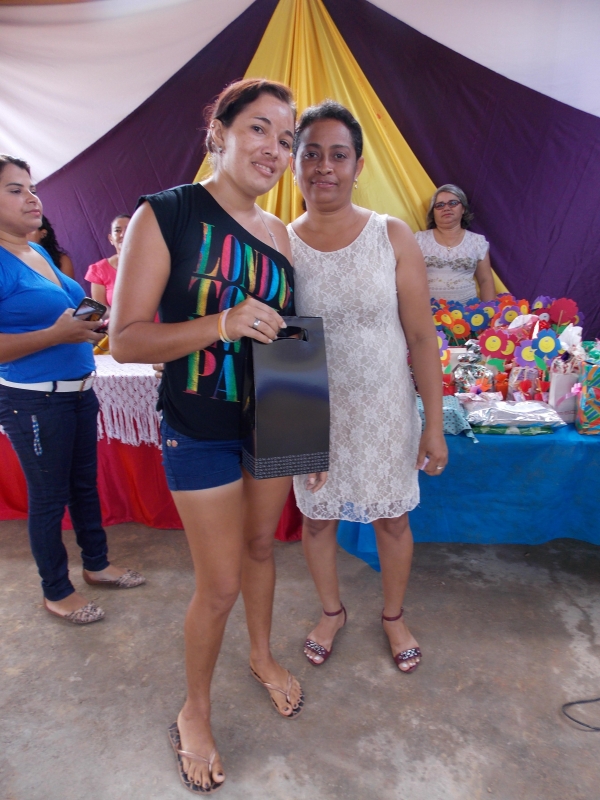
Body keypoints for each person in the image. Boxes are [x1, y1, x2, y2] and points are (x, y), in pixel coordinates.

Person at [110, 79, 301, 794]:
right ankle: (195, 709)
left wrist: (308, 431)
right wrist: (221, 323)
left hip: (275, 421)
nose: (275, 150)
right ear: (218, 131)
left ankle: (261, 654)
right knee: (218, 585)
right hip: (198, 424)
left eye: (286, 139)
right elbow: (127, 340)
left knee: (261, 548)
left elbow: (290, 345)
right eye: (259, 129)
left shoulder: (282, 233)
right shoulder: (167, 213)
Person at [288, 101, 448, 673]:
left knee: (392, 518)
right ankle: (331, 612)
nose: (324, 167)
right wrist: (291, 431)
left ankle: (393, 614)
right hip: (314, 411)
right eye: (311, 154)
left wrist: (434, 424)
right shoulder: (280, 244)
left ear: (358, 165)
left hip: (385, 407)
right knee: (316, 518)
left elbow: (422, 338)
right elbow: (278, 346)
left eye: (338, 155)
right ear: (293, 162)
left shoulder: (392, 235)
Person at [0, 154, 145, 626]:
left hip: (79, 391)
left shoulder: (35, 251)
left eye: (31, 186)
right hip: (34, 399)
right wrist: (55, 335)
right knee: (49, 497)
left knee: (84, 486)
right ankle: (56, 590)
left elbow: (64, 314)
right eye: (15, 189)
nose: (32, 197)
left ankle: (97, 564)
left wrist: (90, 323)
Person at [415, 184, 496, 303]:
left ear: (463, 208)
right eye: (440, 205)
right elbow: (408, 279)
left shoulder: (477, 242)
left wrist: (489, 313)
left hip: (470, 316)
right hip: (427, 314)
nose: (446, 208)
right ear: (433, 212)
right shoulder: (418, 240)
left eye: (452, 203)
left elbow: (485, 280)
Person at [85, 214, 131, 313]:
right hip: (123, 328)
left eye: (129, 229)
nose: (123, 234)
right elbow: (100, 312)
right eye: (117, 230)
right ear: (111, 239)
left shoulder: (156, 262)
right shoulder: (99, 270)